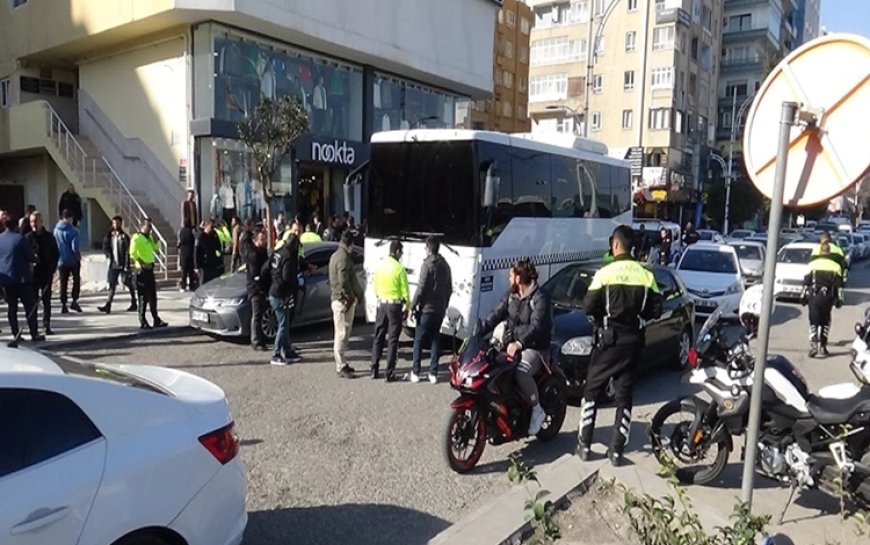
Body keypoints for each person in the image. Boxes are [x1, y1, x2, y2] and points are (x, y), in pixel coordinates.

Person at [578, 225, 662, 466]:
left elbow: (588, 306)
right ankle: (616, 452)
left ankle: (584, 445)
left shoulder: (605, 273)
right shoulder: (646, 275)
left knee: (592, 391)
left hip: (607, 343)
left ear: (615, 245)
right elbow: (656, 309)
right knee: (624, 396)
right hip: (633, 343)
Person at [479, 259, 551, 435]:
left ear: (519, 278)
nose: (508, 278)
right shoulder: (512, 295)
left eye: (511, 275)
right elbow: (496, 313)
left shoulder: (539, 298)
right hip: (510, 343)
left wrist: (520, 343)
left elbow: (537, 326)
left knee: (520, 371)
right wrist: (480, 330)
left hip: (535, 348)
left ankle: (536, 408)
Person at [409, 236, 453, 384]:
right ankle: (433, 373)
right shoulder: (446, 265)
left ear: (428, 248)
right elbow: (449, 288)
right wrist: (445, 304)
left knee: (419, 340)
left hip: (426, 309)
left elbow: (421, 288)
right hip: (439, 309)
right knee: (435, 339)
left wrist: (412, 305)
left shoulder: (427, 265)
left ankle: (416, 371)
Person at [0, 210, 42, 346]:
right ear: (16, 225)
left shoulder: (0, 239)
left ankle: (15, 333)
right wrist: (36, 258)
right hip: (22, 279)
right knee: (30, 307)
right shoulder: (20, 239)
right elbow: (30, 257)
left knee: (12, 308)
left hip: (6, 280)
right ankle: (34, 333)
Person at [370, 240, 411, 382]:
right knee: (393, 339)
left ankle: (374, 368)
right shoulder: (399, 268)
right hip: (395, 306)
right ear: (398, 251)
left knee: (379, 336)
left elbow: (375, 286)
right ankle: (389, 372)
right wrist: (408, 307)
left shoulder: (380, 266)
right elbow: (406, 291)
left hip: (381, 304)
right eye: (402, 252)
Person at [329, 230, 365, 379]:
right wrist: (350, 297)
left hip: (342, 300)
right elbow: (343, 280)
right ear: (350, 244)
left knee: (344, 332)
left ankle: (342, 363)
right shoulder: (343, 258)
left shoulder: (338, 255)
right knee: (341, 334)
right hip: (342, 301)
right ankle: (340, 365)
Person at [269, 221, 303, 365]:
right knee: (283, 324)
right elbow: (287, 277)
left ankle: (287, 350)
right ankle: (276, 354)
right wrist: (289, 291)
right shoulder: (288, 257)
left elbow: (269, 269)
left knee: (285, 323)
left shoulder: (279, 252)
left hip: (274, 291)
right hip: (279, 294)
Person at [802, 241, 843, 358]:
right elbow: (839, 286)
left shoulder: (812, 265)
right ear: (829, 253)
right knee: (825, 322)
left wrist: (803, 297)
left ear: (820, 252)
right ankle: (823, 346)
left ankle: (814, 344)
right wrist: (839, 300)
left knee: (813, 321)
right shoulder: (836, 267)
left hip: (814, 297)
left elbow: (806, 283)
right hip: (827, 298)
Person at [130, 218, 168, 330]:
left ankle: (156, 318)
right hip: (141, 270)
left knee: (152, 296)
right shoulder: (137, 237)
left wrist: (155, 237)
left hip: (150, 269)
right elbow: (132, 253)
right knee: (142, 297)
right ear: (142, 226)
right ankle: (142, 320)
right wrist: (141, 263)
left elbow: (156, 247)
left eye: (151, 226)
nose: (150, 228)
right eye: (148, 226)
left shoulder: (149, 237)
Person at [25, 211, 59, 335]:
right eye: (31, 221)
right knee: (32, 302)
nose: (33, 224)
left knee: (46, 301)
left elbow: (55, 253)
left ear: (41, 222)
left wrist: (53, 268)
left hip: (46, 273)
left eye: (35, 221)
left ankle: (46, 326)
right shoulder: (27, 237)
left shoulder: (49, 237)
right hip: (33, 275)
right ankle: (34, 329)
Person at [98, 216, 137, 314]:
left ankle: (134, 302)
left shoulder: (124, 237)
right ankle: (108, 305)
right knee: (112, 284)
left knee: (127, 282)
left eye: (117, 223)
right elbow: (105, 247)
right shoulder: (109, 236)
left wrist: (127, 265)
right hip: (113, 264)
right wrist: (108, 256)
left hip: (122, 263)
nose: (115, 225)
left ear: (121, 224)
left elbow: (128, 252)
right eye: (114, 223)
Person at [246, 228, 270, 352]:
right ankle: (255, 340)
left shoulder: (262, 251)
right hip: (255, 289)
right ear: (255, 240)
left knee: (260, 315)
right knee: (256, 315)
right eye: (261, 239)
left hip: (261, 288)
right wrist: (260, 288)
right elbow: (256, 274)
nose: (264, 241)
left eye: (264, 239)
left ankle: (260, 338)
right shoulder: (254, 254)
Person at [54, 209, 82, 313]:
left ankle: (63, 304)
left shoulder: (56, 230)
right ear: (70, 218)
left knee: (63, 283)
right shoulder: (73, 231)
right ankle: (74, 301)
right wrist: (78, 256)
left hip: (60, 260)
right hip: (72, 260)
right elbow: (75, 247)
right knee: (76, 281)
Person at [196, 220, 225, 284]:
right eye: (211, 227)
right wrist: (197, 266)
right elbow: (196, 252)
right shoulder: (201, 237)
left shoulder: (214, 235)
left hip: (213, 263)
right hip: (204, 264)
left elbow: (218, 248)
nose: (212, 229)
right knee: (204, 282)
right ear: (206, 227)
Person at [177, 223, 198, 292]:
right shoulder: (192, 231)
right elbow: (195, 239)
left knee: (184, 271)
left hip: (183, 253)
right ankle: (191, 286)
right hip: (190, 252)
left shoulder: (181, 231)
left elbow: (179, 243)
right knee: (191, 271)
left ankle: (183, 286)